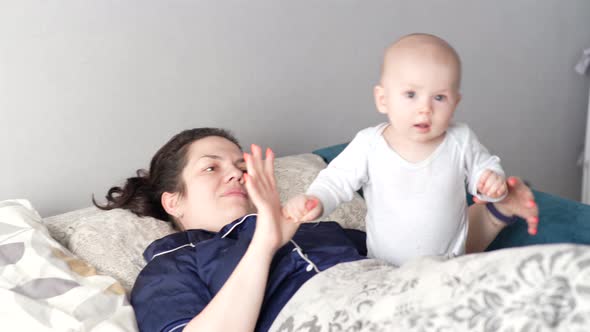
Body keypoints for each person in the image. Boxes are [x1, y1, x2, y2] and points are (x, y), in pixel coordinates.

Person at [95, 127, 538, 332]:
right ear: (174, 201)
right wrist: (264, 244)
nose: (234, 174)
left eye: (241, 165)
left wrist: (500, 209)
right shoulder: (175, 259)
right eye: (211, 168)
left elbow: (429, 254)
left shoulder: (315, 227)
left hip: (406, 295)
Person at [283, 33, 538, 266]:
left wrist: (491, 183)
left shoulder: (460, 140)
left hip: (448, 267)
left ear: (455, 102)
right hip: (387, 269)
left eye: (439, 98)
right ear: (383, 99)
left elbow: (485, 169)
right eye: (411, 95)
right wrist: (315, 200)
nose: (425, 109)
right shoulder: (370, 145)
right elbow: (335, 181)